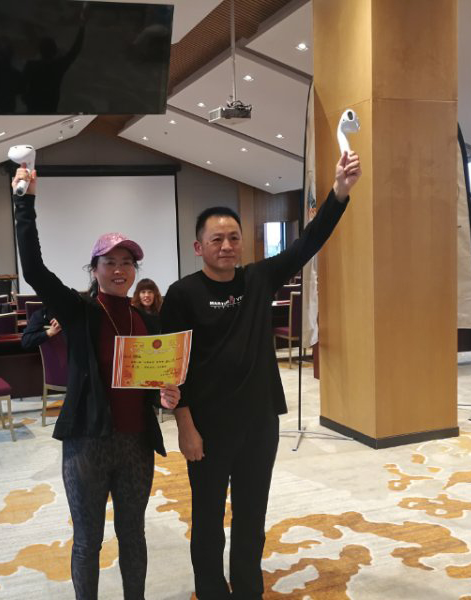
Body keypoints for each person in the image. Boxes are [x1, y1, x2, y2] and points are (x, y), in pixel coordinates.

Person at [160, 151, 362, 599]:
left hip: (259, 424)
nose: (226, 246)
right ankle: (212, 591)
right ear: (198, 247)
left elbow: (310, 241)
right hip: (207, 428)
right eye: (216, 239)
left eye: (233, 238)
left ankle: (249, 589)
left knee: (252, 517)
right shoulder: (181, 294)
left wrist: (339, 192)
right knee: (208, 520)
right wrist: (185, 427)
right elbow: (173, 371)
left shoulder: (259, 279)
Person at [12, 165, 180, 600]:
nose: (120, 270)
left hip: (136, 445)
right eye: (110, 262)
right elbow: (34, 269)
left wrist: (166, 394)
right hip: (87, 442)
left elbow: (154, 384)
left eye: (127, 263)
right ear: (95, 268)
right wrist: (24, 202)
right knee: (88, 541)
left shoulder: (146, 320)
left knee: (133, 536)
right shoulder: (80, 311)